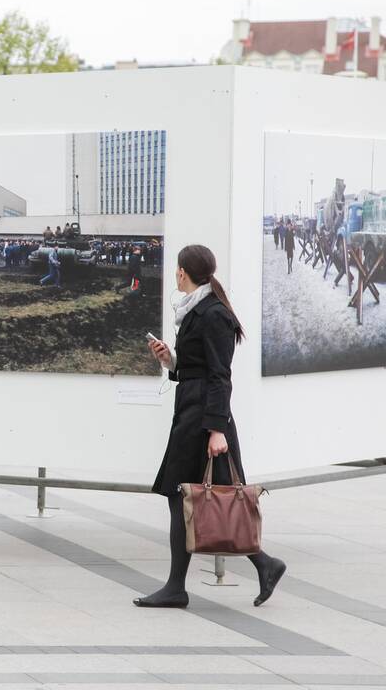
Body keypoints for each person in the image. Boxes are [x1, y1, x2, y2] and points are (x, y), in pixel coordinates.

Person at [141, 245, 286, 609]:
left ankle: (177, 587)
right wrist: (170, 360)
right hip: (194, 413)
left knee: (187, 497)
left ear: (182, 273)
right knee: (208, 499)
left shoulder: (213, 314)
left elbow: (221, 375)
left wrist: (217, 429)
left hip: (205, 420)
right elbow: (196, 366)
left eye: (177, 269)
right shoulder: (196, 311)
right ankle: (264, 563)